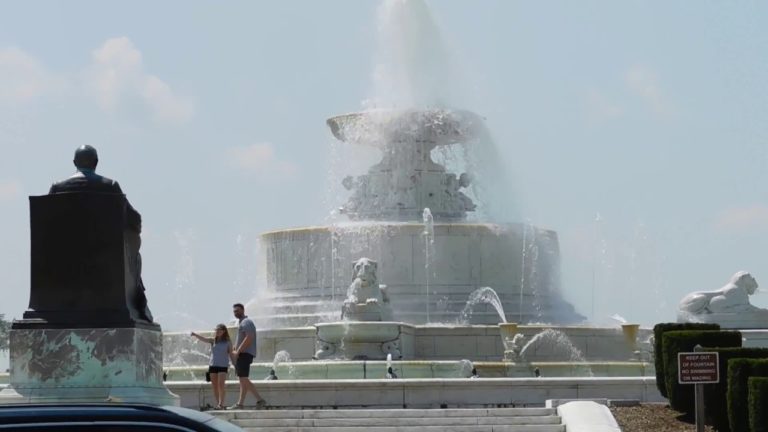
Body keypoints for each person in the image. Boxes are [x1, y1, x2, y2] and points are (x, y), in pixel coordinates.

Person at [49, 145, 152, 322]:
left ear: (74, 162)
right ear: (96, 163)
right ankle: (139, 304)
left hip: (63, 261)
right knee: (135, 257)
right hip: (105, 261)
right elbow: (134, 218)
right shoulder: (110, 186)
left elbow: (47, 223)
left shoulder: (57, 188)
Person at [228, 303, 266, 410]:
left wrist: (238, 351)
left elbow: (249, 337)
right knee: (243, 379)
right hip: (243, 354)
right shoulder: (243, 322)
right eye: (234, 311)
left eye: (238, 311)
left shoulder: (246, 322)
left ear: (243, 310)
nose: (236, 313)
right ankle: (240, 403)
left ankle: (259, 399)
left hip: (244, 354)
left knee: (243, 378)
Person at [191, 324, 233, 410]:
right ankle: (218, 404)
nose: (217, 332)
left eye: (219, 330)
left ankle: (221, 404)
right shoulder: (213, 340)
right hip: (213, 365)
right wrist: (195, 334)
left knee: (221, 385)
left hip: (223, 365)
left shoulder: (228, 341)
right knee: (215, 386)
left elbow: (231, 353)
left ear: (224, 331)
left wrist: (234, 364)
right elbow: (204, 339)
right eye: (216, 330)